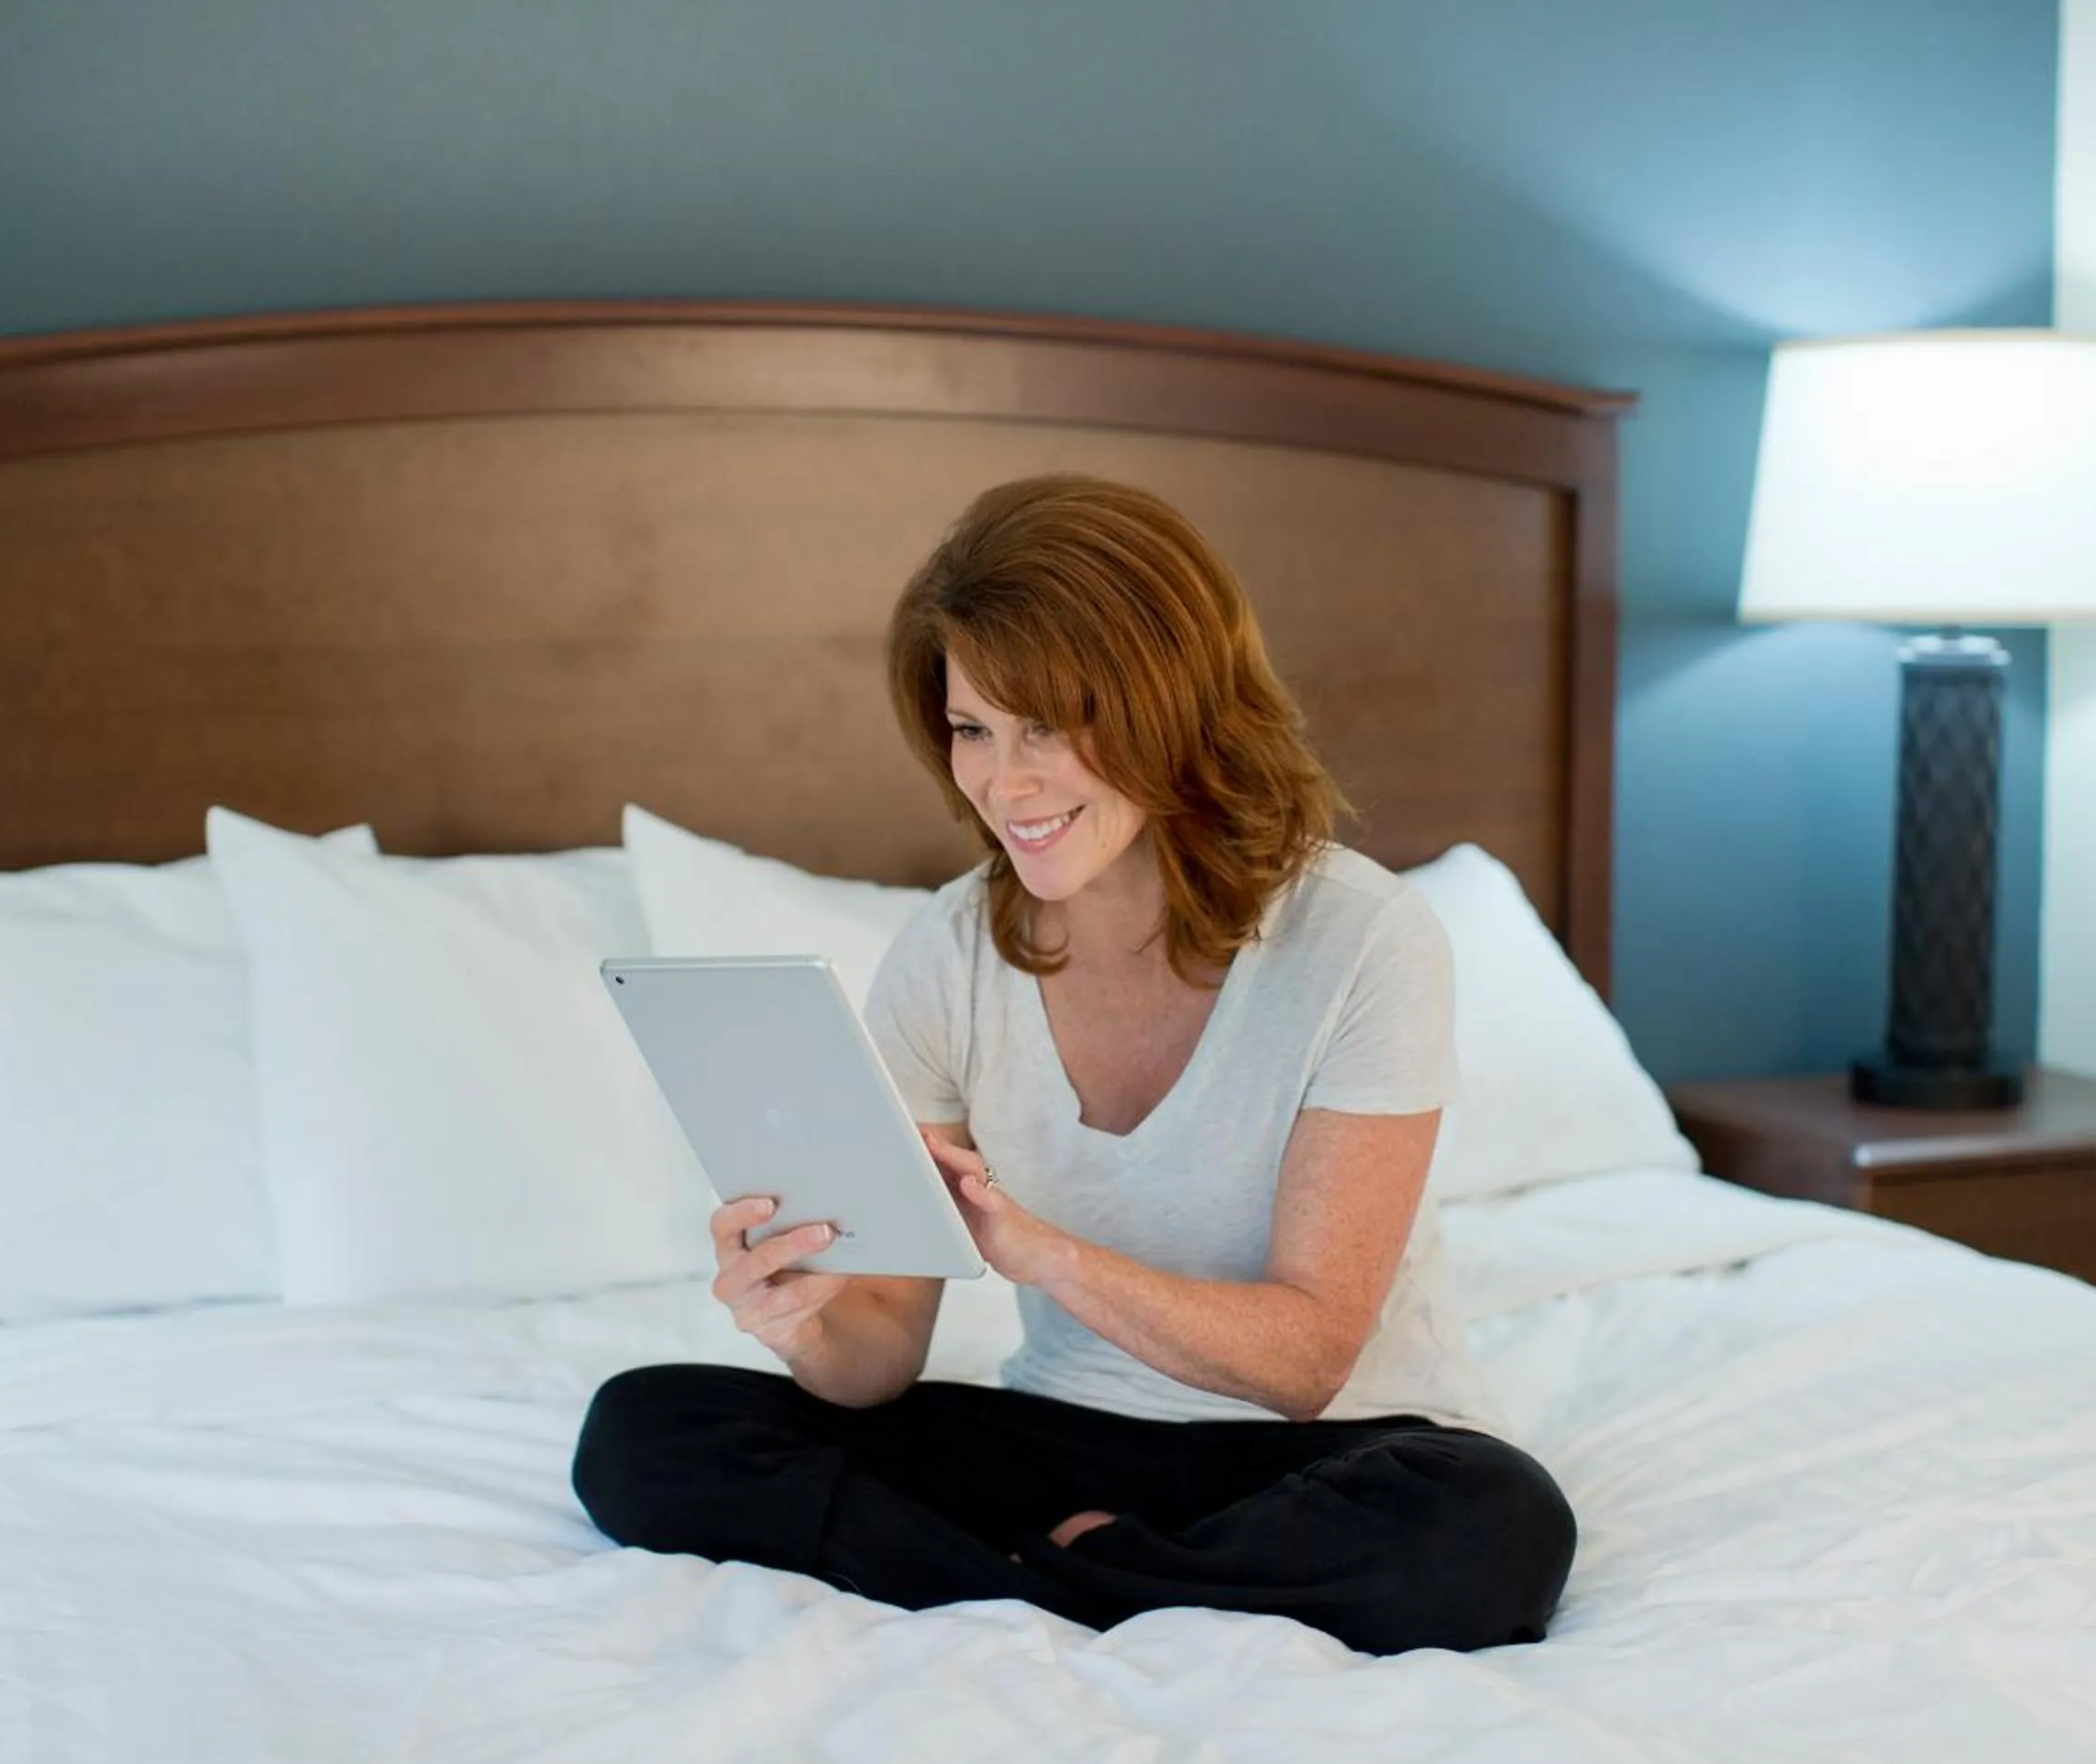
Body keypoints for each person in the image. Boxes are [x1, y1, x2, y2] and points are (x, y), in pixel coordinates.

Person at [570, 476, 1576, 1656]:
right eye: (974, 729)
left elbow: (1306, 1362)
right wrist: (801, 1324)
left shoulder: (1359, 938)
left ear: (1174, 701)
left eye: (1050, 723)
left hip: (1324, 1449)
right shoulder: (949, 952)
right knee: (644, 1427)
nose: (1008, 782)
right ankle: (1092, 1573)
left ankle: (1000, 1575)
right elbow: (881, 1360)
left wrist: (1037, 1248)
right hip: (1062, 1437)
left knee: (1494, 1527)